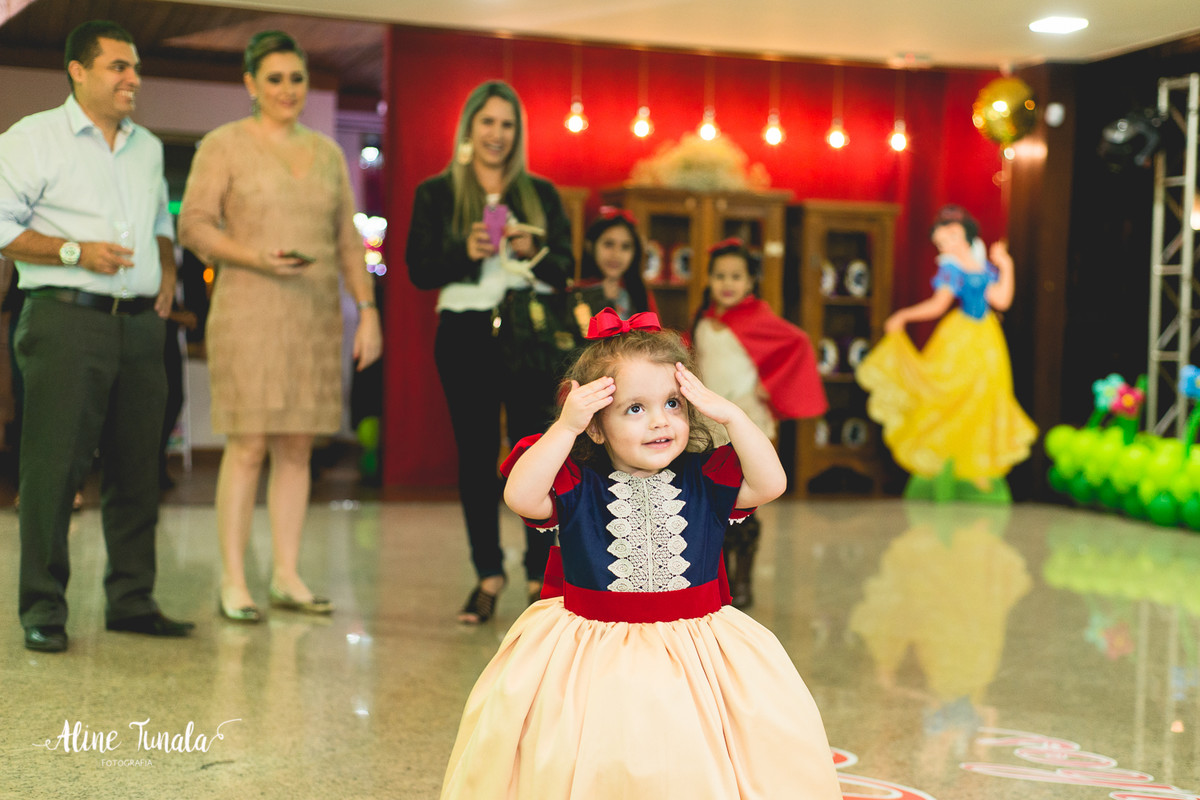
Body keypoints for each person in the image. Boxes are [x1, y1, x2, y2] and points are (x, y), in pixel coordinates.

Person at [439, 309, 842, 799]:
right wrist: (564, 428)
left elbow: (771, 482)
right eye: (635, 409)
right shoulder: (577, 483)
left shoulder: (707, 477)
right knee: (598, 761)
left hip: (697, 656)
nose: (660, 421)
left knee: (694, 761)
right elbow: (521, 496)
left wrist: (733, 415)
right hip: (590, 659)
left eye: (673, 403)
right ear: (596, 426)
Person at [0, 20, 194, 652]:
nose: (132, 78)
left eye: (134, 67)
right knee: (54, 471)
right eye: (118, 66)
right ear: (77, 72)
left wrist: (165, 271)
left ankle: (132, 599)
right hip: (64, 319)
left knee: (141, 469)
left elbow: (158, 219)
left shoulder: (146, 148)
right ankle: (43, 610)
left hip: (140, 327)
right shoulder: (33, 139)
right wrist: (74, 250)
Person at [178, 30, 382, 623]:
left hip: (314, 315)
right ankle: (233, 580)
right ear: (250, 84)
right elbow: (193, 224)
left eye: (296, 78)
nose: (288, 89)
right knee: (247, 446)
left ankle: (287, 575)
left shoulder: (324, 154)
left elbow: (348, 240)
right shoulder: (223, 146)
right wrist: (251, 256)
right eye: (274, 78)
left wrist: (367, 310)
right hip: (247, 308)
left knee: (298, 446)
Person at [405, 80, 574, 623]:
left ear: (516, 134)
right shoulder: (437, 192)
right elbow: (417, 268)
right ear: (469, 127)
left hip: (531, 331)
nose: (497, 134)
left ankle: (536, 573)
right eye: (488, 122)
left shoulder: (540, 192)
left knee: (536, 453)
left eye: (507, 125)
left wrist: (535, 249)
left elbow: (566, 268)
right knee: (476, 457)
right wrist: (465, 250)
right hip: (465, 332)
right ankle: (488, 574)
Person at [855, 204, 1037, 501]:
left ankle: (977, 468)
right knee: (949, 396)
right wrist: (904, 316)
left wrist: (1006, 265)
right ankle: (942, 462)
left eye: (950, 237)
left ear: (964, 234)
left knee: (986, 399)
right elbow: (938, 305)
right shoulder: (950, 268)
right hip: (961, 339)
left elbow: (1001, 300)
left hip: (987, 340)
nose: (946, 245)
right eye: (940, 242)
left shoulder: (982, 265)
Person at [691, 238, 827, 607]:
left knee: (744, 499)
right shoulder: (704, 319)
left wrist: (771, 385)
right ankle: (718, 577)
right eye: (720, 275)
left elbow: (797, 344)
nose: (727, 283)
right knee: (714, 499)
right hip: (709, 422)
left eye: (736, 275)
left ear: (751, 280)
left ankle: (744, 580)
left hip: (747, 419)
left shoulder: (759, 318)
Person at [572, 206, 656, 325]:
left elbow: (653, 338)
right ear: (590, 246)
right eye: (609, 244)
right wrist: (598, 298)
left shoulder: (640, 293)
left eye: (625, 247)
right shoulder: (577, 292)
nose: (616, 254)